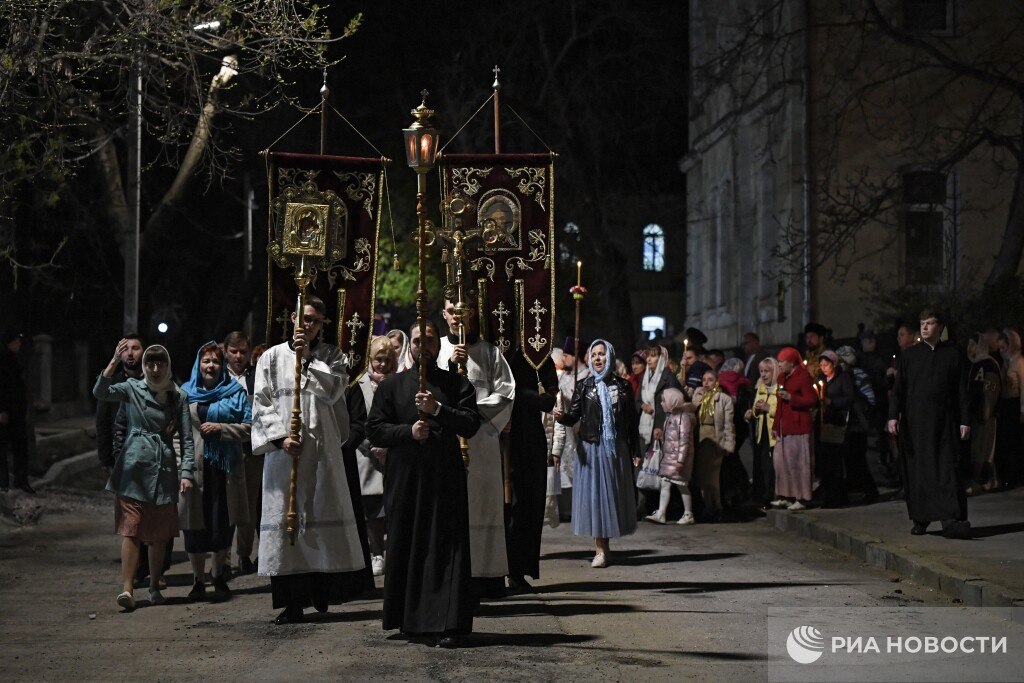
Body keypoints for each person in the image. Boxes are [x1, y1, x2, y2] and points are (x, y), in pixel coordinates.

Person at [251, 295, 370, 624]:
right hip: (284, 456)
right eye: (305, 318)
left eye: (316, 321)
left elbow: (333, 393)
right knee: (288, 524)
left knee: (319, 520)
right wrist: (281, 438)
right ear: (292, 317)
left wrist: (307, 359)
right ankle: (291, 602)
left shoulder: (332, 356)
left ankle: (322, 592)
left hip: (320, 453)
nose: (310, 325)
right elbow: (260, 403)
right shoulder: (271, 358)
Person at [366, 320, 481, 648]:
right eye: (417, 340)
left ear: (437, 345)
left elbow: (471, 423)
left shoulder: (455, 383)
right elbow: (374, 429)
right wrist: (408, 432)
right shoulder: (392, 386)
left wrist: (438, 409)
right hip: (405, 480)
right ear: (409, 346)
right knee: (407, 543)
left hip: (445, 479)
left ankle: (448, 622)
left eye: (429, 340)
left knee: (444, 548)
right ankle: (409, 619)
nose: (423, 345)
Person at [93, 341, 195, 610]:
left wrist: (187, 472)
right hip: (133, 466)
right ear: (144, 365)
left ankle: (153, 585)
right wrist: (114, 361)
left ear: (168, 365)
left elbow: (187, 438)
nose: (155, 368)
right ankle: (127, 589)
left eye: (161, 363)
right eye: (150, 363)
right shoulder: (132, 388)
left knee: (159, 534)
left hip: (163, 468)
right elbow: (101, 392)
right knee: (131, 529)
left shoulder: (178, 395)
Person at [438, 298, 516, 599]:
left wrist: (470, 413)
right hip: (446, 440)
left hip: (481, 440)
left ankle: (486, 576)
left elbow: (506, 392)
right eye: (451, 311)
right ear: (444, 315)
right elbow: (427, 386)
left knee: (484, 506)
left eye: (463, 311)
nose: (458, 317)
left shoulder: (489, 352)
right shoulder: (440, 350)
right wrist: (448, 366)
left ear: (471, 315)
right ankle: (451, 576)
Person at [554, 339, 639, 567]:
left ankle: (607, 545)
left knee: (611, 496)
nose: (598, 359)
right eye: (594, 355)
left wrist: (636, 450)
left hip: (615, 448)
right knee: (596, 498)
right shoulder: (585, 385)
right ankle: (600, 548)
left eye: (601, 354)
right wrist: (560, 416)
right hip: (591, 447)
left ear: (609, 356)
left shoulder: (623, 387)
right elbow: (574, 415)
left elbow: (632, 421)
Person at [888, 308, 971, 538]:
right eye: (923, 323)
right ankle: (921, 519)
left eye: (930, 323)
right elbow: (899, 391)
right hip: (916, 425)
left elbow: (961, 391)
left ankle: (951, 518)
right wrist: (893, 416)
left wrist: (965, 420)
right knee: (919, 472)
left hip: (945, 424)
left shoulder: (953, 355)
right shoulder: (909, 356)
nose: (925, 327)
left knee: (945, 469)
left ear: (940, 327)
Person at [179, 341, 252, 602]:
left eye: (216, 362)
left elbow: (249, 427)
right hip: (196, 468)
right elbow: (180, 434)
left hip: (226, 469)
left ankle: (218, 575)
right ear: (198, 365)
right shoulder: (185, 393)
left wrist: (222, 429)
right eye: (206, 361)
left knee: (223, 523)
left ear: (222, 366)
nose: (211, 366)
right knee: (194, 526)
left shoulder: (235, 393)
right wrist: (183, 471)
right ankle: (198, 580)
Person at [504, 345, 558, 592]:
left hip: (529, 434)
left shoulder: (539, 354)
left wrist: (540, 397)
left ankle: (518, 569)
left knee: (527, 502)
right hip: (502, 433)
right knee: (508, 505)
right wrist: (533, 397)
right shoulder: (499, 351)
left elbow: (549, 396)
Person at [345, 335, 397, 577]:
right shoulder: (359, 384)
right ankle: (377, 553)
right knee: (372, 508)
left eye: (388, 359)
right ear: (369, 360)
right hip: (367, 454)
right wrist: (372, 444)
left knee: (394, 506)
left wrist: (389, 445)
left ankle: (396, 554)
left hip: (395, 453)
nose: (383, 365)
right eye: (378, 360)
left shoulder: (399, 381)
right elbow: (357, 419)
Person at [223, 331, 261, 577]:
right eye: (234, 352)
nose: (238, 356)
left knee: (248, 503)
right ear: (225, 351)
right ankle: (222, 556)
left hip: (251, 448)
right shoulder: (217, 377)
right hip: (224, 448)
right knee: (224, 504)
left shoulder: (257, 377)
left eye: (243, 352)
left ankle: (244, 555)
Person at [772, 347, 816, 511]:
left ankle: (802, 497)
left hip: (799, 427)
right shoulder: (782, 377)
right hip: (785, 426)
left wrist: (792, 398)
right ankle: (786, 494)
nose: (779, 364)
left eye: (782, 361)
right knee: (784, 462)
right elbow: (779, 405)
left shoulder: (803, 377)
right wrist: (776, 425)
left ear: (791, 362)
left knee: (799, 463)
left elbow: (811, 400)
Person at [835, 345, 879, 504]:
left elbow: (869, 400)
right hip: (850, 424)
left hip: (857, 424)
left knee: (858, 459)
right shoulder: (845, 375)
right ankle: (862, 491)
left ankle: (869, 491)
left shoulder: (858, 375)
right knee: (852, 459)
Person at [644, 387, 696, 525]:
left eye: (664, 401)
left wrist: (680, 460)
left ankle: (688, 513)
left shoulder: (683, 418)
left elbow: (684, 441)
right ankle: (661, 513)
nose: (661, 404)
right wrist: (661, 436)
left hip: (677, 460)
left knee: (682, 486)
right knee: (665, 484)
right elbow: (670, 439)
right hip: (669, 458)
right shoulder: (671, 417)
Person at [690, 369, 735, 521]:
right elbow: (692, 410)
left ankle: (716, 507)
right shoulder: (700, 396)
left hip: (715, 439)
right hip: (701, 439)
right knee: (702, 477)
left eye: (710, 379)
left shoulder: (723, 399)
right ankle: (707, 507)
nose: (706, 383)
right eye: (704, 380)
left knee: (713, 477)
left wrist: (728, 444)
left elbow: (728, 424)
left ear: (717, 381)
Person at [817, 350, 855, 508]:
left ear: (834, 364)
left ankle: (838, 497)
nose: (823, 368)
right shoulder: (821, 379)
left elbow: (850, 397)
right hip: (824, 423)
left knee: (835, 462)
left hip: (837, 423)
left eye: (826, 364)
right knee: (825, 462)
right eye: (821, 365)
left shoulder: (843, 378)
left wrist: (831, 402)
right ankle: (828, 496)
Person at [965, 333, 1001, 493]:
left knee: (985, 448)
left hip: (985, 416)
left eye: (973, 345)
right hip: (975, 414)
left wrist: (986, 411)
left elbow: (990, 389)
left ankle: (986, 480)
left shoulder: (988, 364)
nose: (970, 349)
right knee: (977, 448)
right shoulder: (975, 364)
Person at [0, 331, 31, 494]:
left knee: (20, 446)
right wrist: (2, 409)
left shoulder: (14, 360)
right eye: (16, 341)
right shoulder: (4, 360)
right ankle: (3, 482)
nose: (19, 344)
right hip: (7, 412)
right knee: (4, 446)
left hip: (17, 411)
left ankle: (20, 480)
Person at [747, 357, 779, 507]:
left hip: (775, 433)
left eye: (767, 371)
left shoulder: (780, 388)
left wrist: (769, 409)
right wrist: (754, 411)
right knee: (763, 465)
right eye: (761, 371)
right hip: (762, 433)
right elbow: (755, 409)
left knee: (774, 466)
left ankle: (774, 494)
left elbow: (782, 411)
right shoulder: (760, 388)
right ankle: (763, 496)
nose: (764, 375)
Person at [995, 328, 1023, 489]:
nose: (1001, 350)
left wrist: (1022, 410)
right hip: (1006, 406)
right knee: (1006, 443)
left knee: (1014, 443)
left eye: (1004, 347)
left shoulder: (1019, 363)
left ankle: (1014, 477)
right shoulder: (1006, 363)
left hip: (1015, 405)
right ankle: (1007, 476)